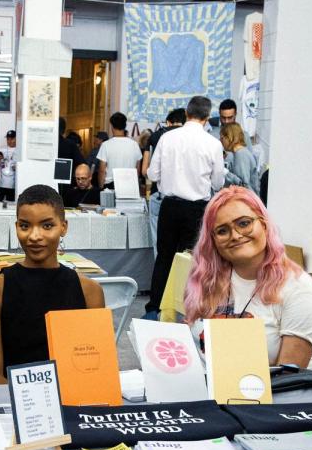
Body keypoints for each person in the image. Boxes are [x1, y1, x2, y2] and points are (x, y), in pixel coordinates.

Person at [183, 186, 312, 368]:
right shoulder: (207, 280)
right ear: (213, 241)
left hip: (275, 394)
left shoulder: (297, 288)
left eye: (244, 223)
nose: (235, 235)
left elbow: (289, 378)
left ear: (264, 225)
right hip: (209, 392)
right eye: (222, 231)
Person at [0, 185, 105, 383]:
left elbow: (93, 369)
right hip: (13, 402)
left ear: (63, 227)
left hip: (72, 400)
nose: (35, 236)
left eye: (47, 226)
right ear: (16, 226)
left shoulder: (90, 291)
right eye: (25, 226)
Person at [144, 96, 225, 319]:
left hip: (169, 205)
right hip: (197, 209)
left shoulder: (167, 138)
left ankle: (154, 307)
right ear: (207, 117)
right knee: (191, 259)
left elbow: (152, 174)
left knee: (164, 257)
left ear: (187, 113)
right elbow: (218, 183)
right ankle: (184, 308)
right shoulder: (213, 144)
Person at [143, 109, 186, 257]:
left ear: (168, 121)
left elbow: (145, 170)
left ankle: (161, 275)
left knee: (159, 242)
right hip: (185, 197)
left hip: (159, 193)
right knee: (182, 243)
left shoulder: (156, 136)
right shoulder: (191, 138)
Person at [96, 112, 141, 189]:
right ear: (125, 126)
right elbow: (138, 169)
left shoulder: (106, 145)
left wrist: (101, 188)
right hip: (129, 185)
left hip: (111, 186)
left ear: (112, 127)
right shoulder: (135, 145)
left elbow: (102, 170)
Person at [221, 122, 260, 194]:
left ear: (229, 137)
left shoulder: (241, 154)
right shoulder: (240, 153)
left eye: (222, 138)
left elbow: (243, 185)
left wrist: (225, 172)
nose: (221, 141)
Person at [0, 130, 17, 202]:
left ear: (16, 138)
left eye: (12, 139)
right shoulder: (1, 149)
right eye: (8, 139)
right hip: (1, 184)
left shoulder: (19, 150)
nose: (9, 141)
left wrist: (17, 168)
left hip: (13, 184)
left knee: (11, 205)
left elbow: (23, 168)